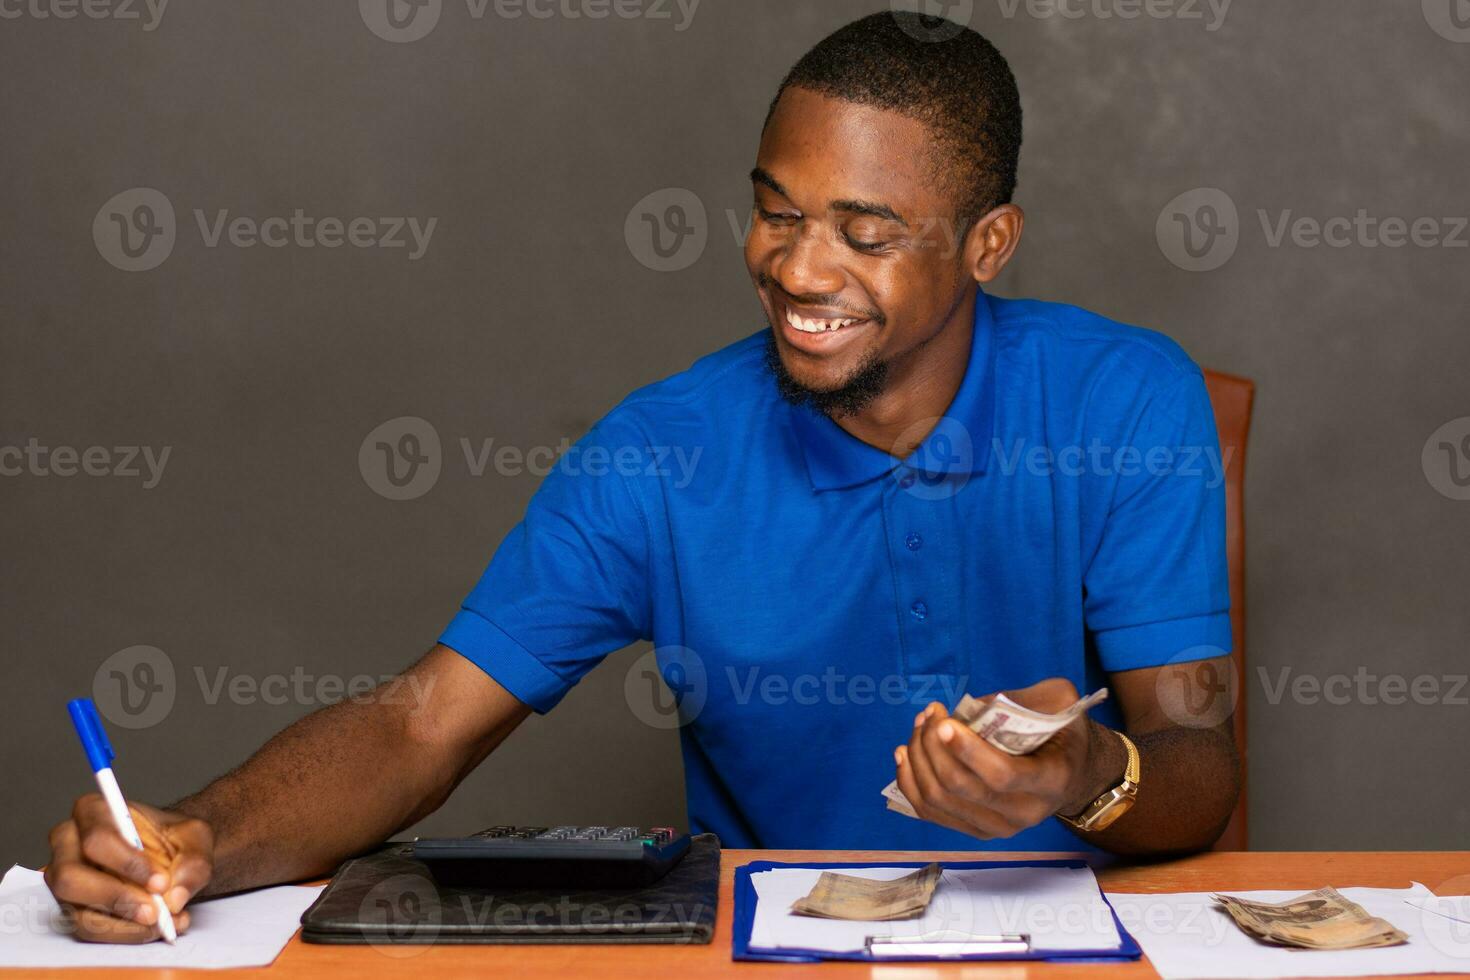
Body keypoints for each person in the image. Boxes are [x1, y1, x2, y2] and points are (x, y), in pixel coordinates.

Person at [44, 11, 1240, 943]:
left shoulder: (1125, 401)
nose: (799, 268)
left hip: (1079, 947)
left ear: (988, 244)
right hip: (758, 954)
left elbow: (1198, 765)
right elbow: (420, 725)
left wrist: (1086, 769)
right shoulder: (661, 450)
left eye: (866, 235)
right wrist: (198, 832)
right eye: (776, 213)